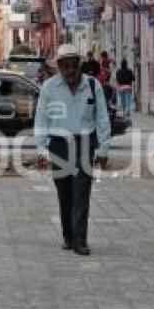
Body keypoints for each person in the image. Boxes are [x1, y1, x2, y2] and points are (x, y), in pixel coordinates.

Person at [35, 44, 111, 256]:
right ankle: (68, 236)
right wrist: (41, 149)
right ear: (59, 67)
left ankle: (80, 240)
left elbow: (102, 118)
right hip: (59, 144)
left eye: (73, 65)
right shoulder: (49, 87)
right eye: (64, 66)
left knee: (82, 192)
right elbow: (41, 118)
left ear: (79, 65)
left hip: (84, 143)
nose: (69, 70)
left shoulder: (92, 85)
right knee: (64, 192)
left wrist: (103, 149)